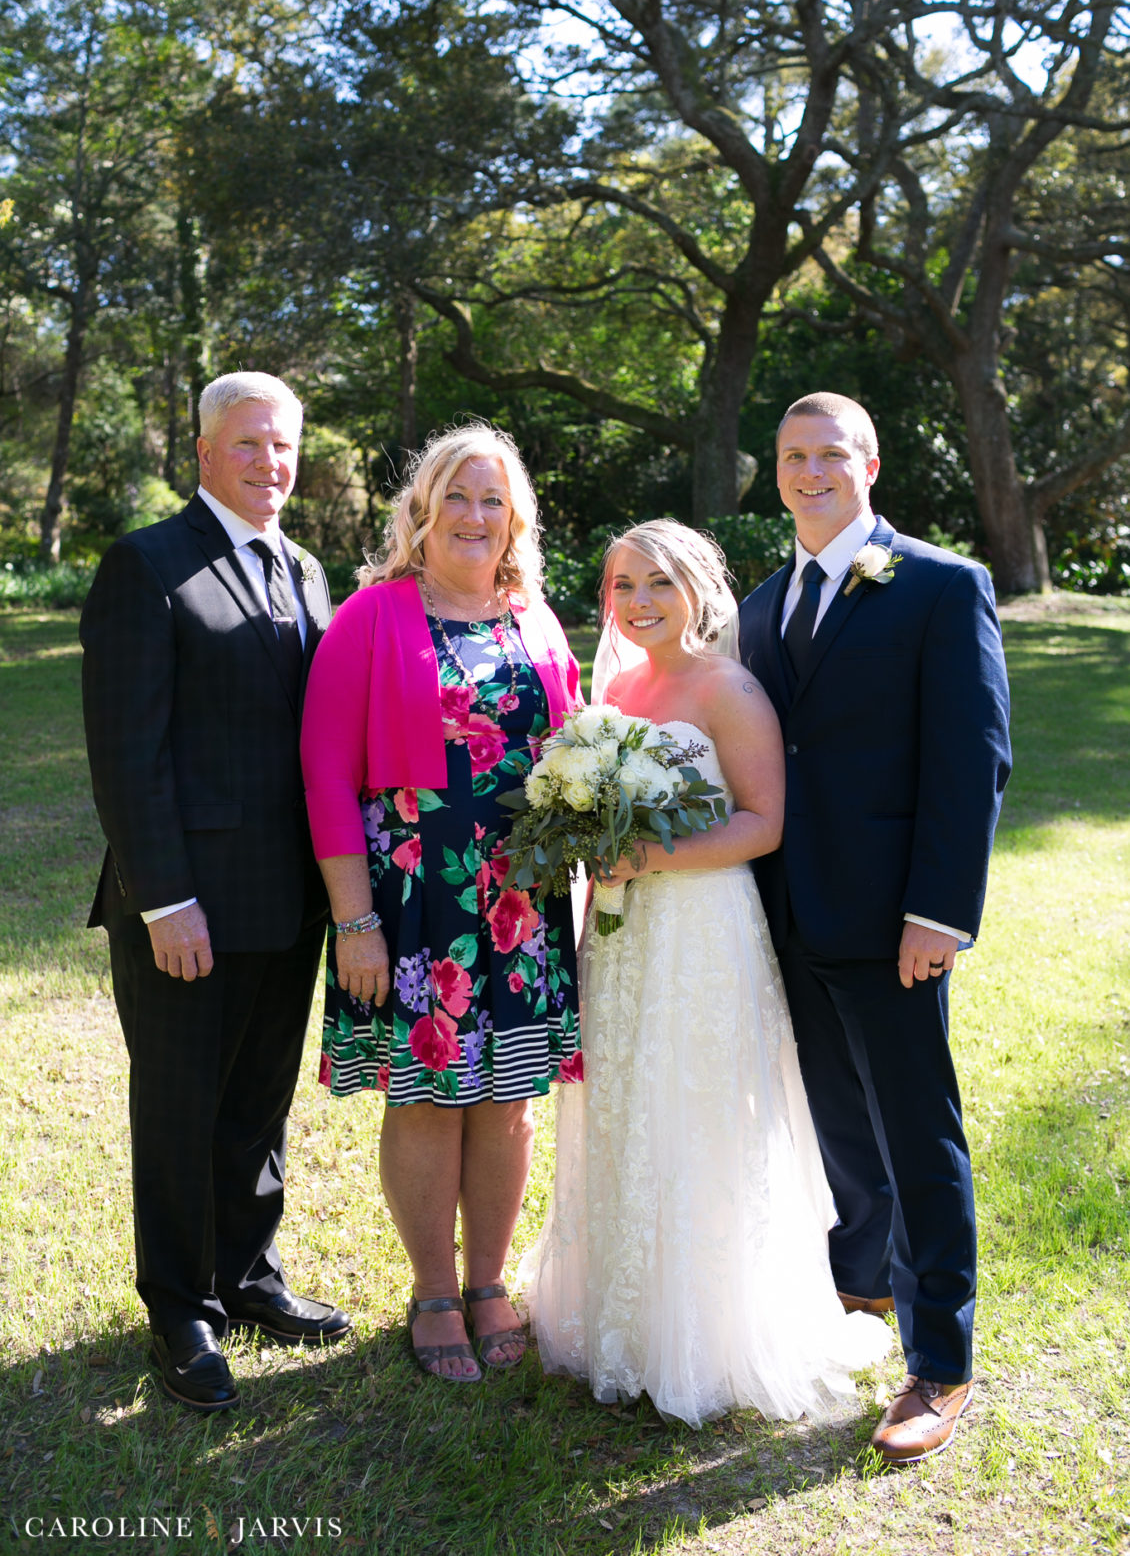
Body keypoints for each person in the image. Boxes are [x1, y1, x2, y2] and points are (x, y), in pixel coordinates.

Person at [522, 519, 893, 1427]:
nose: (640, 602)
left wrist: (647, 856)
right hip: (620, 932)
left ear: (695, 588)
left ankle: (711, 1330)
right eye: (622, 587)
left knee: (695, 1104)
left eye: (658, 583)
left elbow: (762, 821)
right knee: (624, 1102)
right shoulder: (614, 687)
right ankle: (631, 1315)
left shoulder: (731, 689)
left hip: (702, 927)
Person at [738, 392, 1012, 1464]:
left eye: (829, 455)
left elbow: (970, 758)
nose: (810, 472)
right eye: (793, 456)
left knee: (915, 1128)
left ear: (869, 462)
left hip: (895, 915)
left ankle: (938, 1360)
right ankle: (861, 1282)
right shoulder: (762, 605)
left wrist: (937, 913)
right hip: (788, 912)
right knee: (835, 1119)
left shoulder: (942, 585)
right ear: (776, 471)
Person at [80, 371, 350, 1416]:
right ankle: (180, 1306)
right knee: (181, 1101)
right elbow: (126, 753)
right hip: (186, 904)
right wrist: (163, 899)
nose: (270, 464)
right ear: (202, 451)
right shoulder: (145, 566)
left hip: (290, 898)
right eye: (248, 445)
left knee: (257, 1103)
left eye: (283, 446)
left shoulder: (306, 568)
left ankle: (246, 1274)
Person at [300, 421, 581, 1383]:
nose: (473, 514)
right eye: (455, 496)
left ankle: (490, 1281)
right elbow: (327, 775)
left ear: (515, 520)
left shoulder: (535, 619)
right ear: (422, 513)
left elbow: (572, 756)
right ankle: (431, 1289)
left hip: (522, 903)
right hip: (414, 899)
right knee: (426, 1098)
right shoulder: (370, 617)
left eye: (491, 499)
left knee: (506, 1098)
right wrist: (355, 921)